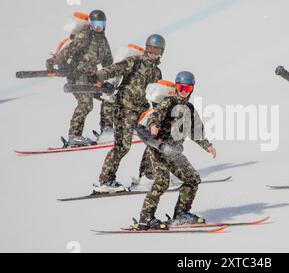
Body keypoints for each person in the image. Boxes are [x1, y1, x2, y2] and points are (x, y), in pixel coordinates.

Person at [131, 71, 217, 230]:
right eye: (180, 87)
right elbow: (155, 116)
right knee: (162, 182)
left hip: (175, 153)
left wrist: (207, 146)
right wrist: (154, 125)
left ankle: (181, 213)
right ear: (176, 87)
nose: (183, 91)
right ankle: (146, 218)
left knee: (193, 179)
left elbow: (195, 131)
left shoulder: (190, 109)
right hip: (159, 150)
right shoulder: (168, 103)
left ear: (191, 89)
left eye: (187, 88)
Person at [92, 34, 165, 193]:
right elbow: (116, 68)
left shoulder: (157, 72)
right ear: (146, 48)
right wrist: (99, 75)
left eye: (157, 50)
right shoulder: (135, 62)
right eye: (151, 48)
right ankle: (106, 181)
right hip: (124, 109)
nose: (153, 52)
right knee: (122, 146)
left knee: (154, 142)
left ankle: (147, 177)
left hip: (142, 112)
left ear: (161, 52)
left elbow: (155, 93)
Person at [46, 10, 114, 147]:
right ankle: (74, 136)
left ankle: (107, 129)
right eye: (95, 24)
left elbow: (108, 62)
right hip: (77, 76)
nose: (98, 27)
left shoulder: (103, 41)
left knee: (109, 96)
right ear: (90, 23)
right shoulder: (85, 36)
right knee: (86, 104)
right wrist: (54, 61)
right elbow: (68, 50)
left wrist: (112, 78)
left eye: (101, 23)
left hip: (91, 77)